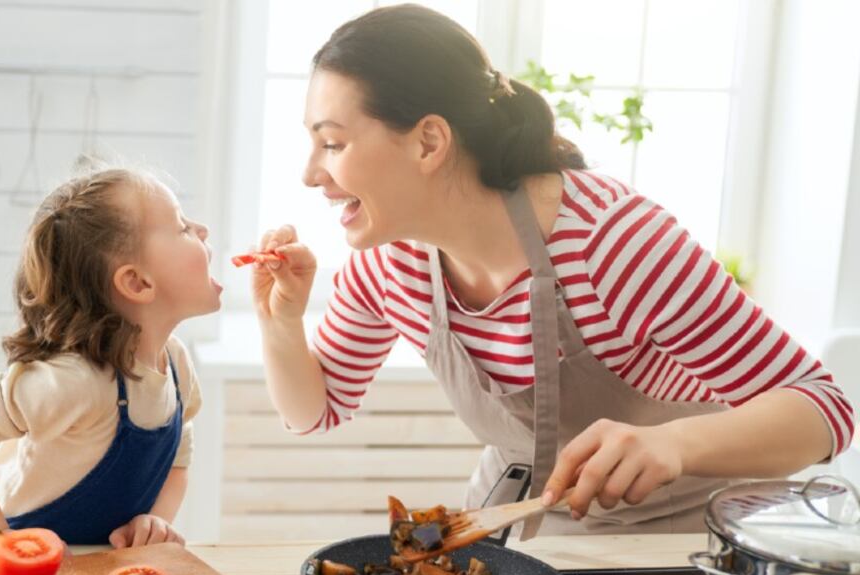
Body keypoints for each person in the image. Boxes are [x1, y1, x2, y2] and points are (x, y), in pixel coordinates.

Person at [250, 4, 854, 536]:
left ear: (429, 142)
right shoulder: (390, 265)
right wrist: (281, 322)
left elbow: (825, 410)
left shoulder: (613, 244)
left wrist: (674, 444)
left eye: (332, 143)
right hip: (517, 525)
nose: (311, 173)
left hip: (674, 537)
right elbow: (314, 411)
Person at [0, 167, 222, 554]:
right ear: (137, 283)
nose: (202, 229)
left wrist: (156, 521)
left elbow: (178, 455)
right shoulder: (79, 381)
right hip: (14, 571)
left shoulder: (175, 364)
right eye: (183, 227)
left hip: (94, 569)